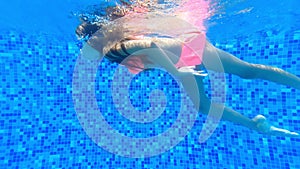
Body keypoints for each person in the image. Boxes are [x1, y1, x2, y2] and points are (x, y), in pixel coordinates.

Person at [75, 3, 300, 138]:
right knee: (243, 74)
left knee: (213, 97)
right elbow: (148, 54)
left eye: (88, 41)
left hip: (186, 51)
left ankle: (254, 123)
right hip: (187, 47)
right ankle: (260, 120)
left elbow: (150, 46)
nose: (87, 47)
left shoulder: (116, 47)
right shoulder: (114, 52)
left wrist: (179, 72)